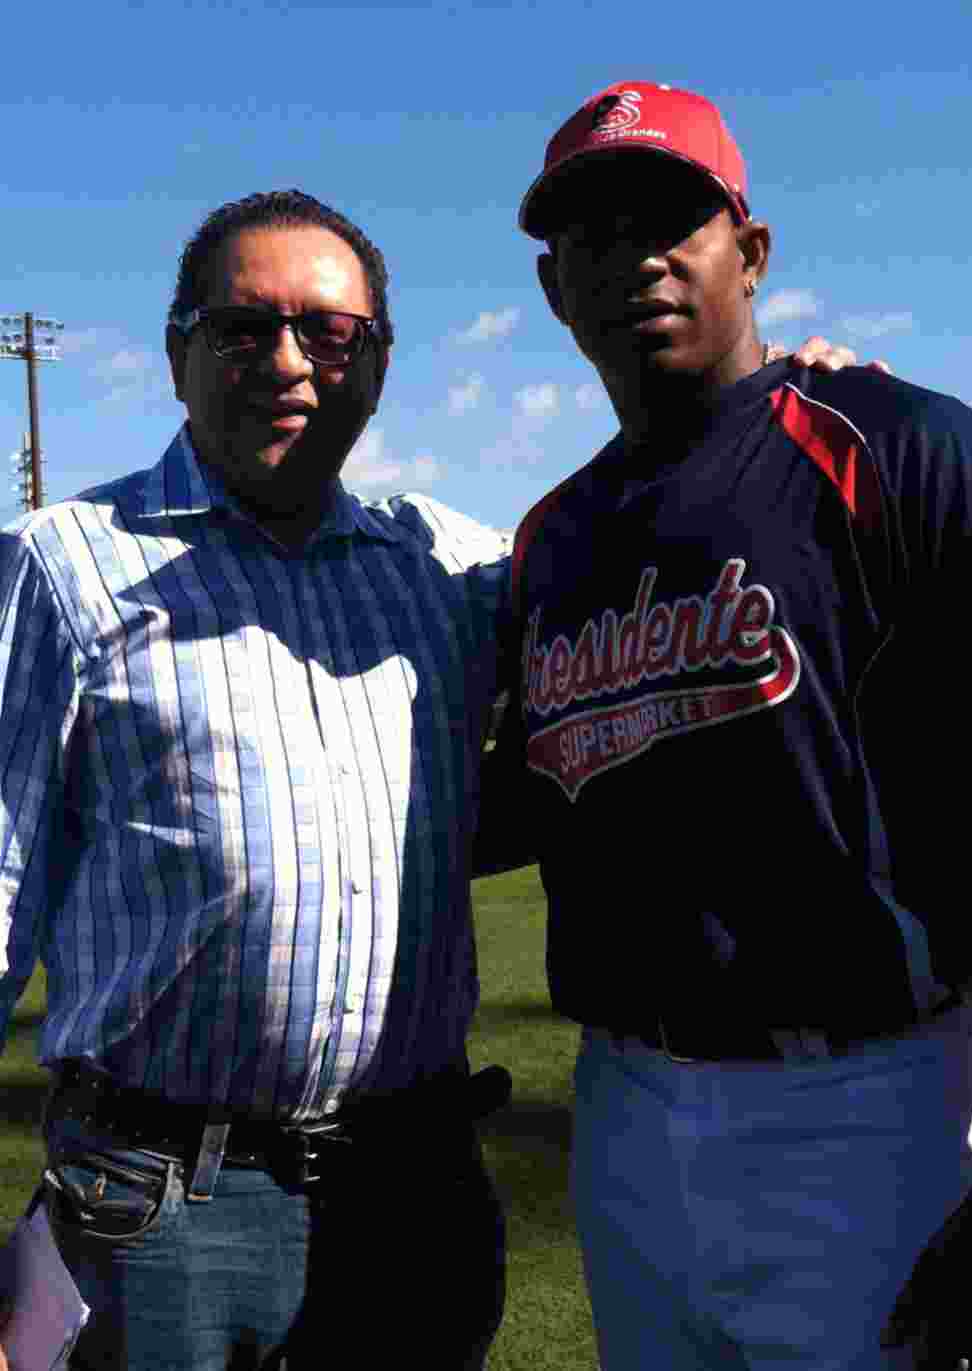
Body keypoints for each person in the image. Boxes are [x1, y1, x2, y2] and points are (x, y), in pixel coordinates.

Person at [480, 80, 972, 1370]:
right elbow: (532, 792)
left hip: (871, 1095)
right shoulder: (550, 539)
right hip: (620, 1110)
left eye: (673, 218)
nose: (640, 258)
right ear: (556, 291)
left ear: (752, 251)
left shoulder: (902, 450)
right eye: (597, 235)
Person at [0, 189, 512, 1371]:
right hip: (155, 1205)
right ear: (181, 353)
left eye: (330, 333)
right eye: (243, 328)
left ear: (376, 365)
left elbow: (647, 543)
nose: (288, 361)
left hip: (410, 1196)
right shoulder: (62, 566)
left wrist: (782, 403)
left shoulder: (442, 568)